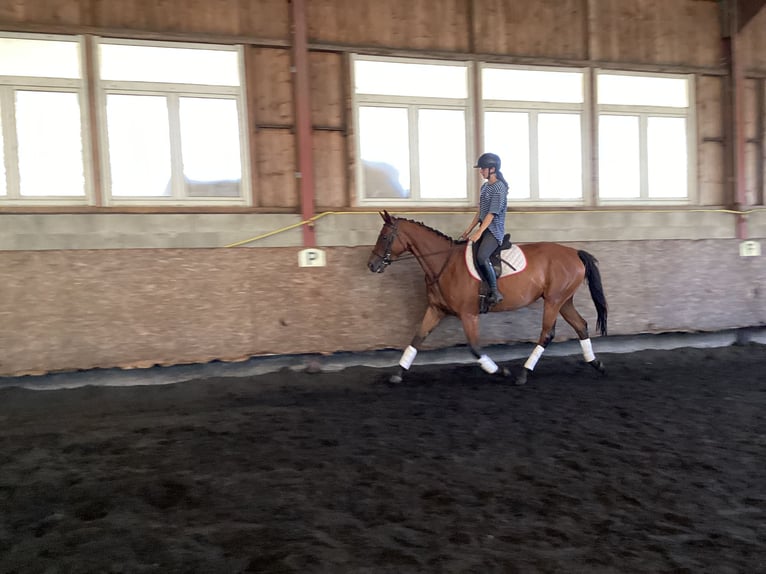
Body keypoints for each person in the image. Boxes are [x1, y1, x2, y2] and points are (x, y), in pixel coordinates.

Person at [460, 152, 509, 305]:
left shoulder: (499, 188)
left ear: (492, 169)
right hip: (484, 227)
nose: (481, 171)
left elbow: (491, 214)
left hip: (494, 231)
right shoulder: (485, 187)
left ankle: (495, 291)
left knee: (481, 256)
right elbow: (481, 213)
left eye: (483, 169)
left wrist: (479, 232)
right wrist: (468, 230)